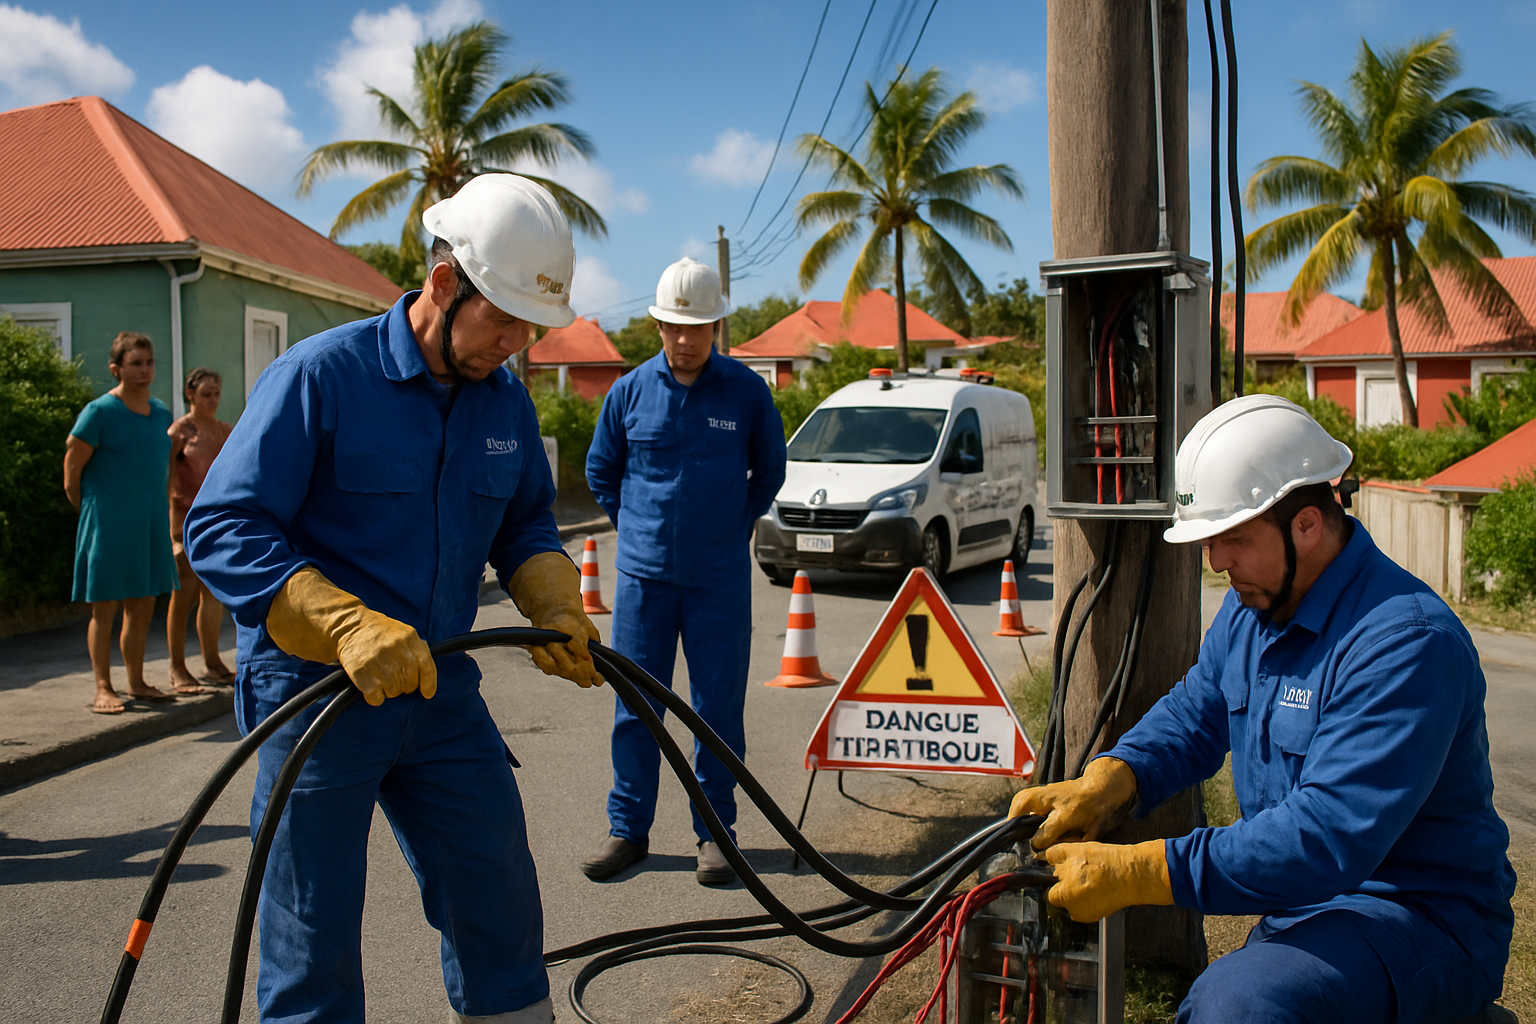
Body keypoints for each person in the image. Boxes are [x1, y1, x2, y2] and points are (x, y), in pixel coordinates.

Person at [185, 174, 602, 1024]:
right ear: (444, 285)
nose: (517, 343)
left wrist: (556, 603)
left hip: (441, 695)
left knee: (499, 905)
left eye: (533, 325)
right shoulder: (321, 378)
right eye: (504, 319)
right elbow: (222, 527)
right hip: (316, 703)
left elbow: (523, 523)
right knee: (314, 946)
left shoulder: (504, 401)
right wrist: (342, 624)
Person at [1009, 394, 1515, 1024]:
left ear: (1307, 523)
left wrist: (1145, 869)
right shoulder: (1256, 611)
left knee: (1239, 1005)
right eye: (1210, 543)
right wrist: (1111, 778)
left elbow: (1326, 836)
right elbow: (1196, 713)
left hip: (1418, 918)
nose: (1218, 562)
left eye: (1234, 540)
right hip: (1309, 910)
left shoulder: (1405, 642)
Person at [582, 256, 787, 886]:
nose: (685, 339)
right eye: (674, 327)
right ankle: (627, 831)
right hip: (643, 581)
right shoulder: (629, 392)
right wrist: (638, 530)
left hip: (718, 581)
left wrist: (731, 529)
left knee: (717, 709)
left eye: (696, 327)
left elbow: (770, 473)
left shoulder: (748, 392)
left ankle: (715, 833)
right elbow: (601, 472)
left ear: (717, 325)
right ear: (657, 326)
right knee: (636, 707)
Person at [63, 332, 180, 714]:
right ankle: (102, 687)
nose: (144, 370)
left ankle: (136, 681)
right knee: (105, 607)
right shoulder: (98, 412)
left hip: (149, 522)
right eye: (135, 363)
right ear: (116, 368)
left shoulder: (161, 413)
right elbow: (72, 470)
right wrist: (94, 514)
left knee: (143, 605)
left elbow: (160, 469)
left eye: (149, 362)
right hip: (107, 521)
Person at [166, 366, 234, 692]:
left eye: (217, 394)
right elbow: (167, 483)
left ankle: (212, 661)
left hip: (217, 524)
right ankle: (177, 667)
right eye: (206, 394)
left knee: (214, 596)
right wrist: (173, 533)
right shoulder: (179, 433)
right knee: (182, 596)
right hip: (185, 523)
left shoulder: (225, 431)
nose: (213, 400)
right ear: (190, 394)